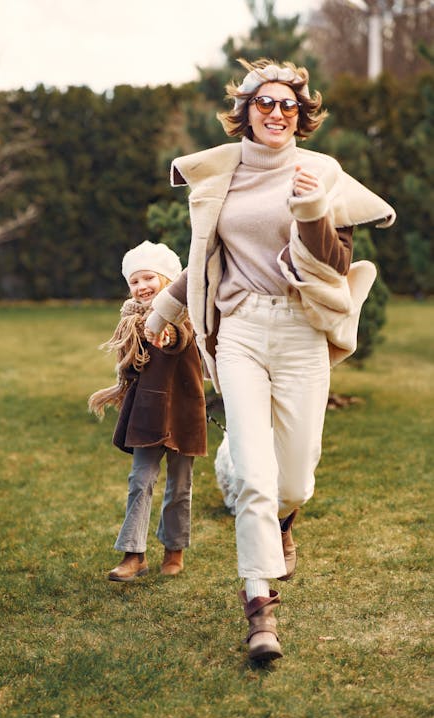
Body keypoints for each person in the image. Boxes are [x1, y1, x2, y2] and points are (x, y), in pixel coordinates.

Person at [144, 58, 396, 661]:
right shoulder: (223, 174)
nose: (277, 112)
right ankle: (259, 606)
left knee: (296, 477)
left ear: (301, 116)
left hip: (302, 328)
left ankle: (284, 518)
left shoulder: (322, 173)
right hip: (242, 332)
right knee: (257, 480)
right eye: (265, 103)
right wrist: (162, 312)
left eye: (288, 105)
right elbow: (204, 255)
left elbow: (333, 267)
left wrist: (310, 212)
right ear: (246, 113)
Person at [88, 240, 207, 582]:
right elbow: (129, 366)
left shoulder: (185, 314)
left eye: (149, 279)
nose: (142, 287)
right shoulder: (130, 322)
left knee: (180, 484)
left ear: (167, 280)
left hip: (184, 410)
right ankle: (134, 554)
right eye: (135, 281)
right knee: (140, 480)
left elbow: (180, 337)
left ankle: (174, 548)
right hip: (148, 410)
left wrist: (168, 335)